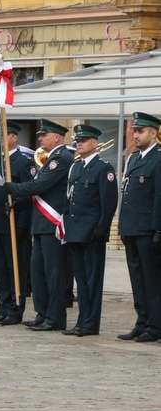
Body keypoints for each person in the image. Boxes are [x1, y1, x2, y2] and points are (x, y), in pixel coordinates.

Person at [4, 119, 74, 332]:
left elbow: (41, 185)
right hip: (40, 223)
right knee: (38, 273)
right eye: (40, 136)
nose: (40, 138)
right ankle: (42, 314)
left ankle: (55, 318)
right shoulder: (49, 158)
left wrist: (13, 188)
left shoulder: (62, 158)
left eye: (44, 135)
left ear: (57, 137)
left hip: (52, 222)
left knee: (53, 273)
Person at [61, 124, 118, 337]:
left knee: (92, 281)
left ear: (94, 143)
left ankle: (90, 323)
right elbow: (69, 200)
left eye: (84, 140)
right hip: (75, 231)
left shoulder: (104, 168)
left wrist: (101, 230)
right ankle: (82, 321)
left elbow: (108, 203)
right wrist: (67, 225)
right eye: (78, 140)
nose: (79, 144)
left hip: (92, 233)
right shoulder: (76, 167)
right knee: (81, 280)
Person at [0, 121, 36, 326]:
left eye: (5, 136)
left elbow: (28, 193)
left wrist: (22, 224)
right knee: (0, 269)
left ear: (14, 138)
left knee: (15, 269)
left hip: (12, 222)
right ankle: (4, 307)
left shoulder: (24, 163)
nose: (2, 140)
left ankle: (15, 308)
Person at [117, 112, 161, 342]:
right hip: (132, 228)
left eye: (140, 131)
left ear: (153, 133)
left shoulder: (158, 158)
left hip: (147, 229)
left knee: (152, 280)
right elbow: (127, 195)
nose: (135, 134)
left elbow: (159, 198)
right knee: (137, 278)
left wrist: (158, 230)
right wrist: (123, 226)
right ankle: (142, 321)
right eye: (134, 130)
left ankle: (155, 326)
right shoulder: (133, 158)